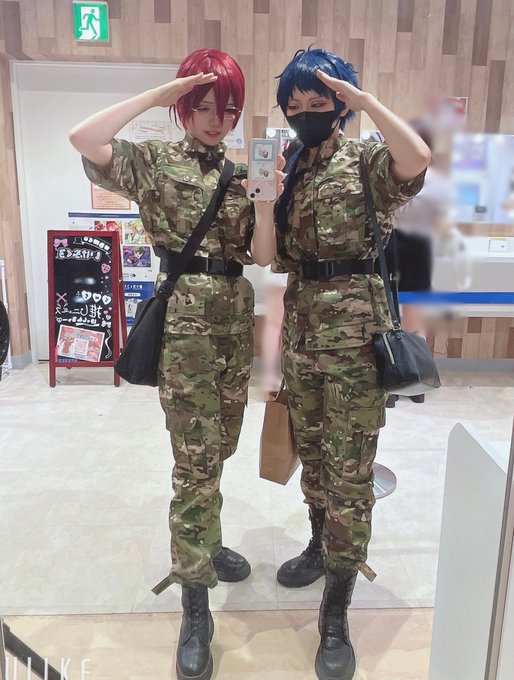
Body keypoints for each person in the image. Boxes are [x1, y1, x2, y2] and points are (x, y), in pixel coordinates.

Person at [69, 49, 282, 680]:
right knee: (194, 465)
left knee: (219, 450)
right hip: (185, 329)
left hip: (232, 325)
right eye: (205, 106)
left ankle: (207, 543)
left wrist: (265, 205)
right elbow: (84, 137)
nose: (218, 119)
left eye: (229, 108)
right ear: (185, 108)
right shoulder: (156, 161)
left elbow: (262, 257)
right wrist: (160, 93)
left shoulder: (243, 173)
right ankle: (195, 606)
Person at [252, 48, 430, 680]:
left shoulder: (366, 161)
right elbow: (273, 258)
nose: (305, 113)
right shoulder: (290, 167)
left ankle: (336, 609)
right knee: (312, 457)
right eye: (294, 105)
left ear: (340, 103)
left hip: (356, 341)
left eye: (318, 101)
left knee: (349, 472)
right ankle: (317, 542)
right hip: (303, 336)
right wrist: (264, 198)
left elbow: (417, 158)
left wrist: (366, 102)